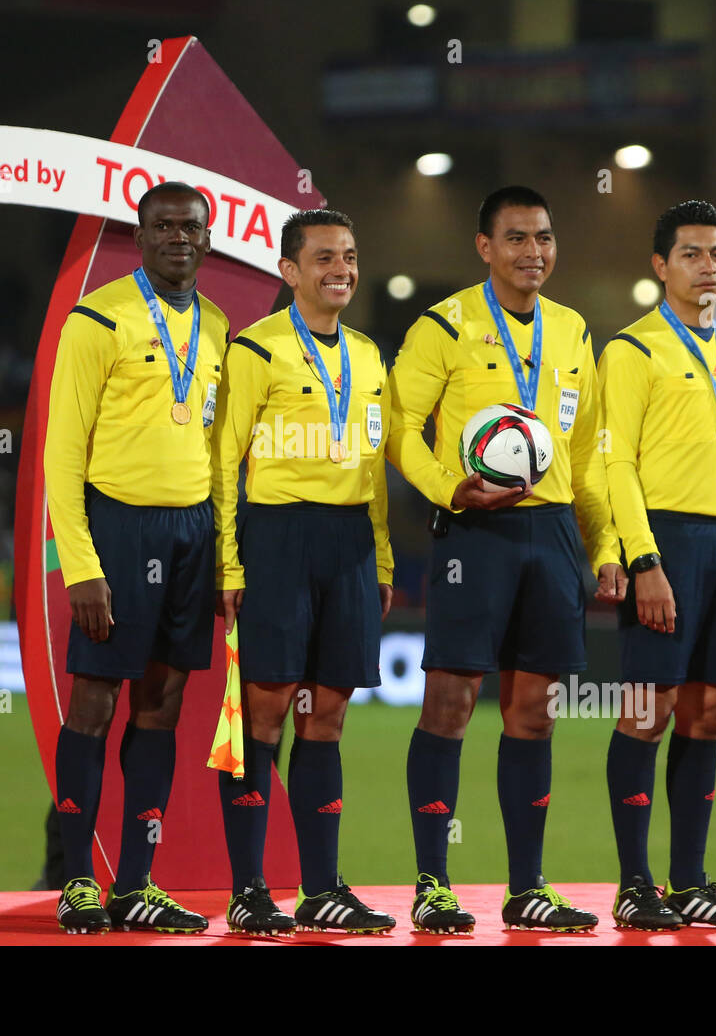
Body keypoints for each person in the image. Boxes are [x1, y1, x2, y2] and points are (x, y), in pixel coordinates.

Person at [387, 186, 625, 934]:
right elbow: (400, 427)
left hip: (551, 534)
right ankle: (433, 884)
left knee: (534, 714)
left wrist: (606, 546)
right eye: (517, 239)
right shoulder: (444, 325)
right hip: (473, 532)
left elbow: (587, 453)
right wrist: (445, 491)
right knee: (451, 704)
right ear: (484, 247)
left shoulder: (573, 329)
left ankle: (528, 888)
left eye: (545, 238)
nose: (534, 253)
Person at [44, 182, 228, 933]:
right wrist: (80, 563)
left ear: (207, 239)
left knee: (164, 704)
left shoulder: (218, 326)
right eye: (164, 226)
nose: (179, 237)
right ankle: (77, 879)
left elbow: (220, 452)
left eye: (191, 227)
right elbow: (62, 452)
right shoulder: (97, 319)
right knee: (94, 701)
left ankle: (138, 884)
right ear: (140, 235)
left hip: (193, 532)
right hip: (118, 529)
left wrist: (224, 554)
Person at [598, 199, 716, 930]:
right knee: (648, 713)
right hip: (666, 543)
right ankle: (635, 883)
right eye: (692, 255)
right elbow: (616, 462)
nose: (709, 268)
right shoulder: (632, 351)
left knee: (707, 714)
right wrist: (642, 560)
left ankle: (687, 879)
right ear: (660, 267)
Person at [213, 209, 396, 936]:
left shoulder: (370, 354)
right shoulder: (254, 351)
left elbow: (376, 466)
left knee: (328, 716)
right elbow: (224, 462)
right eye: (324, 257)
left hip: (349, 538)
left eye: (349, 255)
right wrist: (230, 559)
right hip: (278, 537)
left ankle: (322, 888)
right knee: (265, 710)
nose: (340, 269)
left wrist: (379, 554)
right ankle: (249, 890)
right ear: (290, 271)